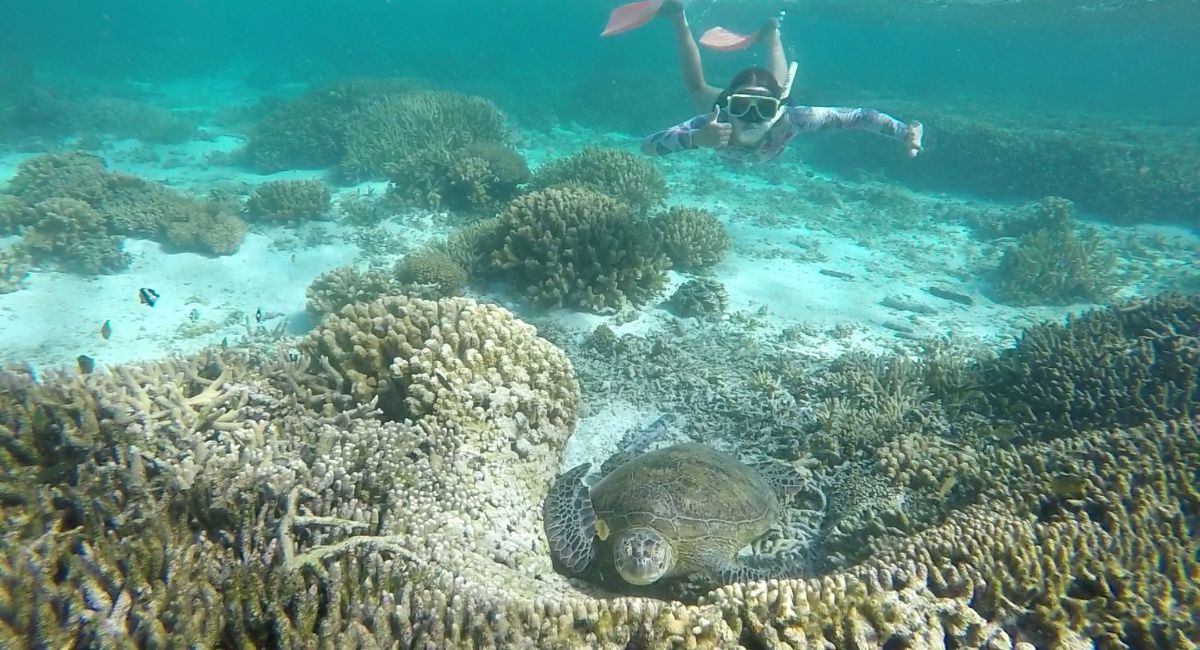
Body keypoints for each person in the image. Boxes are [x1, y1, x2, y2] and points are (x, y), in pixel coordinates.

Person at [606, 0, 923, 165]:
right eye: (743, 105)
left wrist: (902, 132)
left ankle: (772, 34)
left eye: (765, 107)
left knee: (779, 84)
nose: (753, 116)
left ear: (778, 109)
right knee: (697, 89)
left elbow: (860, 117)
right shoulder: (718, 122)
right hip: (729, 112)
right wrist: (696, 139)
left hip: (776, 104)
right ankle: (678, 16)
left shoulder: (792, 119)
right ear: (730, 102)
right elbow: (646, 147)